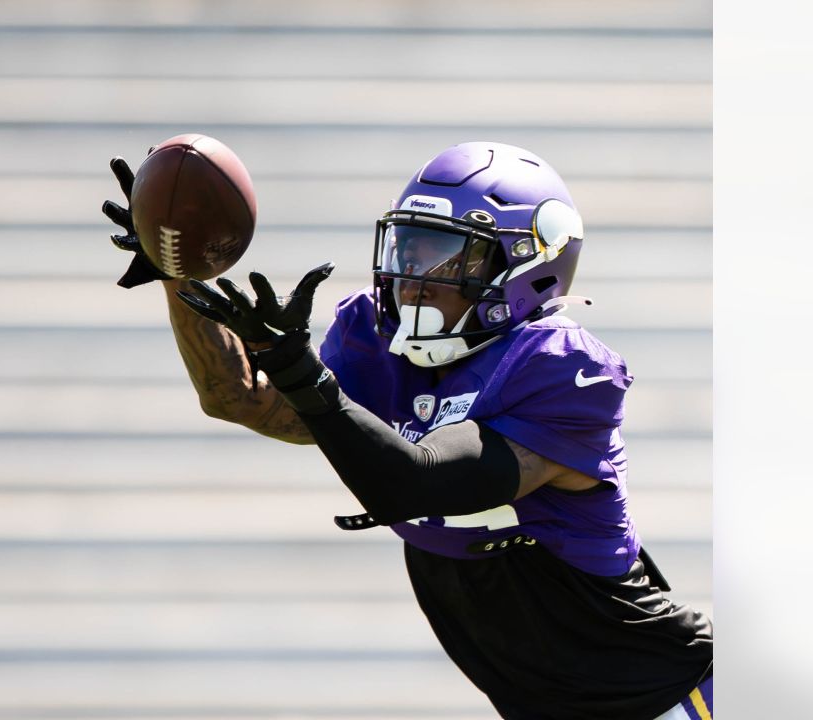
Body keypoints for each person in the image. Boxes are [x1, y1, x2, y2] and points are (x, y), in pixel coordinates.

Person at [102, 141, 713, 719]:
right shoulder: (379, 342)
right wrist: (177, 272)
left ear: (526, 266)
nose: (418, 277)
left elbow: (417, 482)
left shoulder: (557, 365)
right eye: (412, 250)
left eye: (453, 257)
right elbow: (236, 396)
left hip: (669, 697)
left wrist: (303, 375)